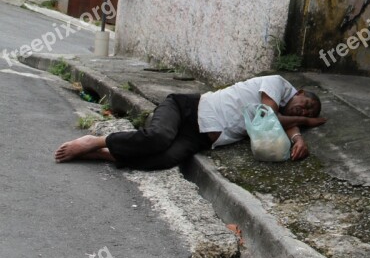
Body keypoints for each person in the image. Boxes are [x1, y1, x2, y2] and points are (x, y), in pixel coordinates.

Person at [54, 75, 326, 170]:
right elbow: (268, 116)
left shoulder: (287, 114)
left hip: (201, 137)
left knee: (163, 160)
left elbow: (287, 125)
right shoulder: (277, 83)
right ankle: (95, 141)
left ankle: (102, 155)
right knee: (157, 138)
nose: (305, 108)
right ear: (298, 92)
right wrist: (306, 121)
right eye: (307, 103)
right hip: (187, 108)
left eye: (310, 110)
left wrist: (298, 137)